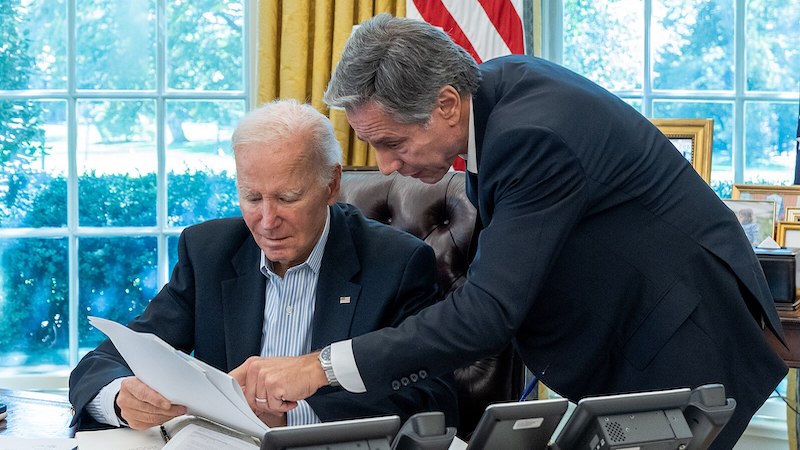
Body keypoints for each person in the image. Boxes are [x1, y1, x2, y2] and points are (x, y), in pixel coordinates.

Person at [232, 14, 788, 449]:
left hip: (683, 346)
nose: (383, 166)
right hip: (640, 336)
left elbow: (488, 313)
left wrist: (319, 366)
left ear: (446, 104)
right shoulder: (495, 94)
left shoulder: (531, 136)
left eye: (393, 143)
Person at [68, 99, 458, 431]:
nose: (267, 221)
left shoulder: (397, 262)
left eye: (287, 198)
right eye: (252, 198)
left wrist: (294, 418)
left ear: (331, 184)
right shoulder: (210, 251)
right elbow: (104, 362)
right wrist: (120, 399)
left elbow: (431, 399)